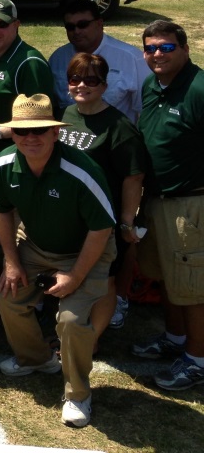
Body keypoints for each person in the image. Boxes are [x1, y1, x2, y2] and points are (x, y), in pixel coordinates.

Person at [0, 94, 115, 428]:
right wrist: (11, 262)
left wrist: (74, 276)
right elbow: (1, 212)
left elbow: (102, 229)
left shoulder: (82, 170)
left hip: (86, 249)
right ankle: (37, 360)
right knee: (9, 298)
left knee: (72, 321)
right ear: (12, 134)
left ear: (55, 133)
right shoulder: (2, 164)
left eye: (40, 130)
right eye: (21, 132)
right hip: (34, 243)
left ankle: (78, 395)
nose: (30, 138)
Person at [132, 20, 204, 391]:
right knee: (166, 278)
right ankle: (175, 340)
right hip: (157, 198)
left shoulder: (198, 89)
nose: (157, 54)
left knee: (192, 286)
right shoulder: (152, 84)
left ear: (185, 49)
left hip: (190, 201)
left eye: (166, 47)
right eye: (150, 48)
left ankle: (197, 359)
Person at [58, 53, 146, 335]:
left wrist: (126, 221)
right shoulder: (69, 115)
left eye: (91, 80)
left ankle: (93, 337)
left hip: (102, 219)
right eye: (75, 79)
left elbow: (134, 177)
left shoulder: (120, 127)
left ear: (104, 85)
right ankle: (77, 330)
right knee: (77, 273)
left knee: (104, 280)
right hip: (71, 216)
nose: (82, 85)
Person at [0, 0, 55, 185]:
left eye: (2, 24)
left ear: (16, 25)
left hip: (21, 159)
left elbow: (39, 120)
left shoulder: (29, 63)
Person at [48, 1, 150, 122]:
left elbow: (145, 110)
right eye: (70, 27)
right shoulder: (58, 58)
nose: (76, 31)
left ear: (99, 23)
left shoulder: (131, 58)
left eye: (83, 24)